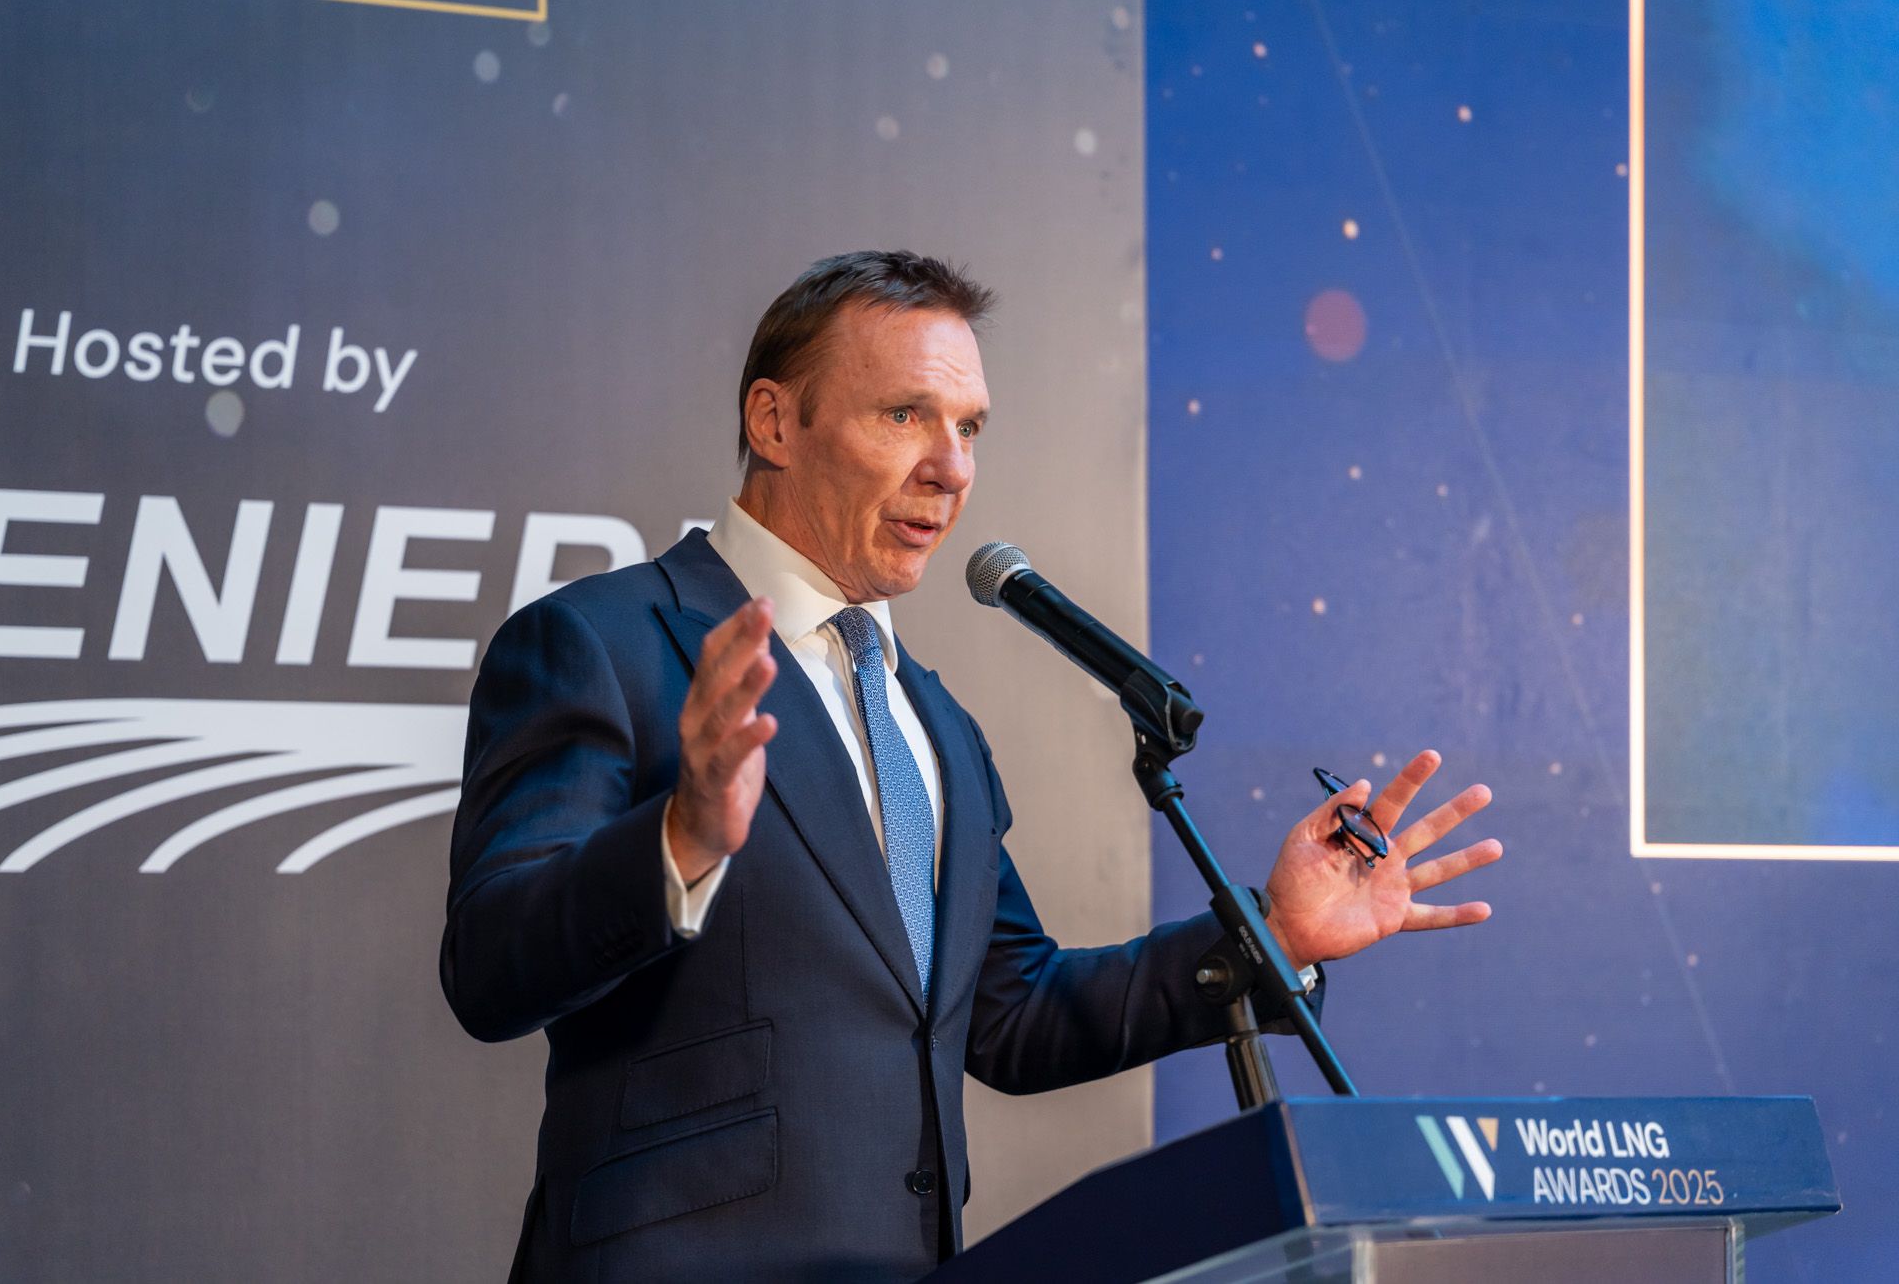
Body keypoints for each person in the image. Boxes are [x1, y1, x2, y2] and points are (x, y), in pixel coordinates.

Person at [440, 251, 1502, 1281]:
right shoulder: (600, 642)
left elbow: (1011, 1013)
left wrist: (1272, 934)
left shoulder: (933, 721)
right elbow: (490, 966)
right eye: (904, 415)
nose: (950, 469)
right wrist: (678, 840)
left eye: (969, 427)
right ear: (774, 422)